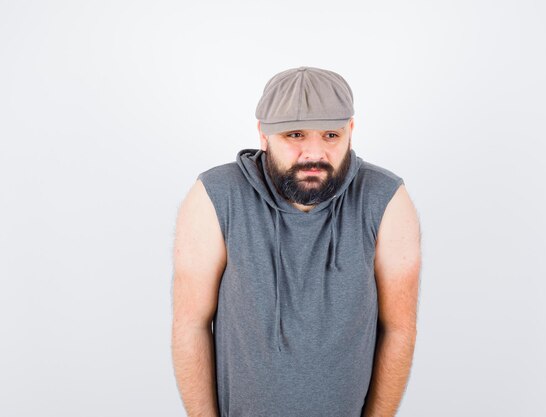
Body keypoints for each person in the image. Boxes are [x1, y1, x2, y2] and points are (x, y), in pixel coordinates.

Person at [171, 66, 422, 417]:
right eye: (295, 135)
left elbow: (399, 329)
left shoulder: (386, 198)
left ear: (351, 130)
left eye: (331, 136)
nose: (314, 154)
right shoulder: (215, 196)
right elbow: (191, 324)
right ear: (264, 134)